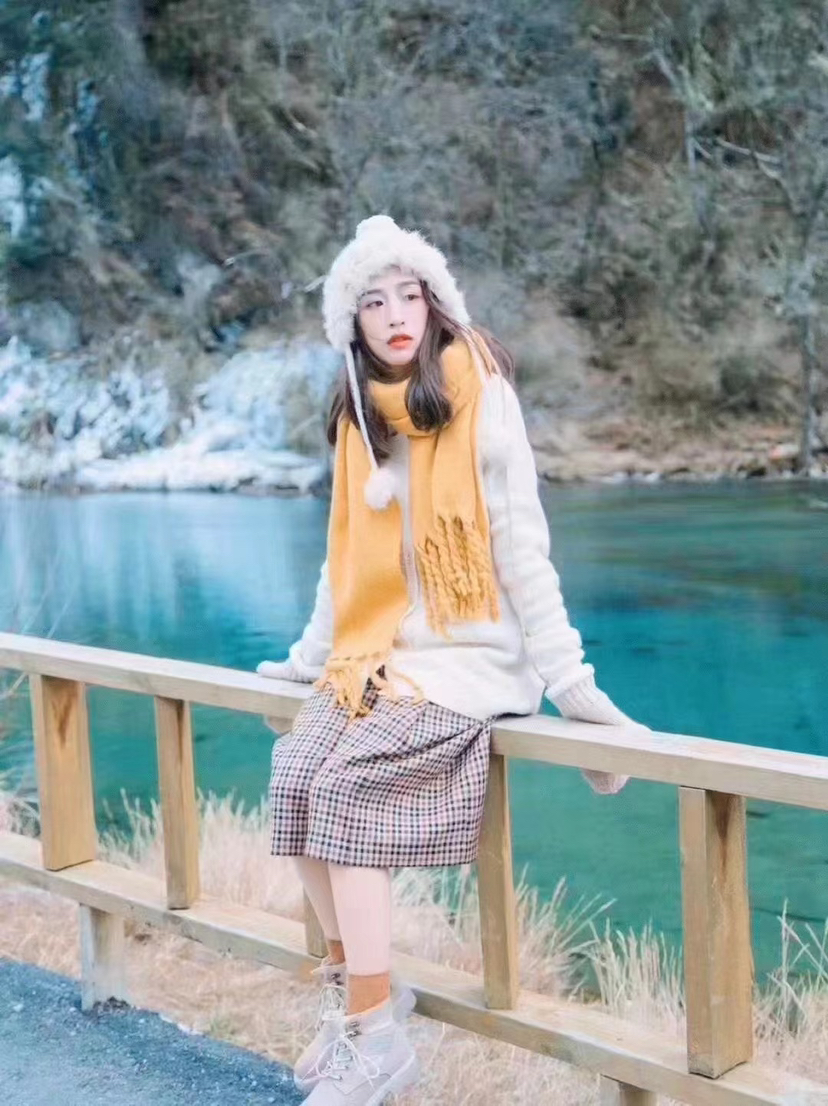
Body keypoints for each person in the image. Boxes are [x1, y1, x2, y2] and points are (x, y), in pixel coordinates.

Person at [257, 214, 647, 1105]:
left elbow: (522, 547)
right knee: (293, 778)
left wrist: (571, 682)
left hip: (472, 660)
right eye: (373, 302)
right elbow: (343, 559)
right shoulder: (360, 417)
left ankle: (374, 1035)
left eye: (410, 294)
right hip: (383, 656)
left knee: (345, 790)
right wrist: (309, 657)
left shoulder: (481, 393)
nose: (396, 315)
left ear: (436, 302)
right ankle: (361, 993)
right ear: (350, 324)